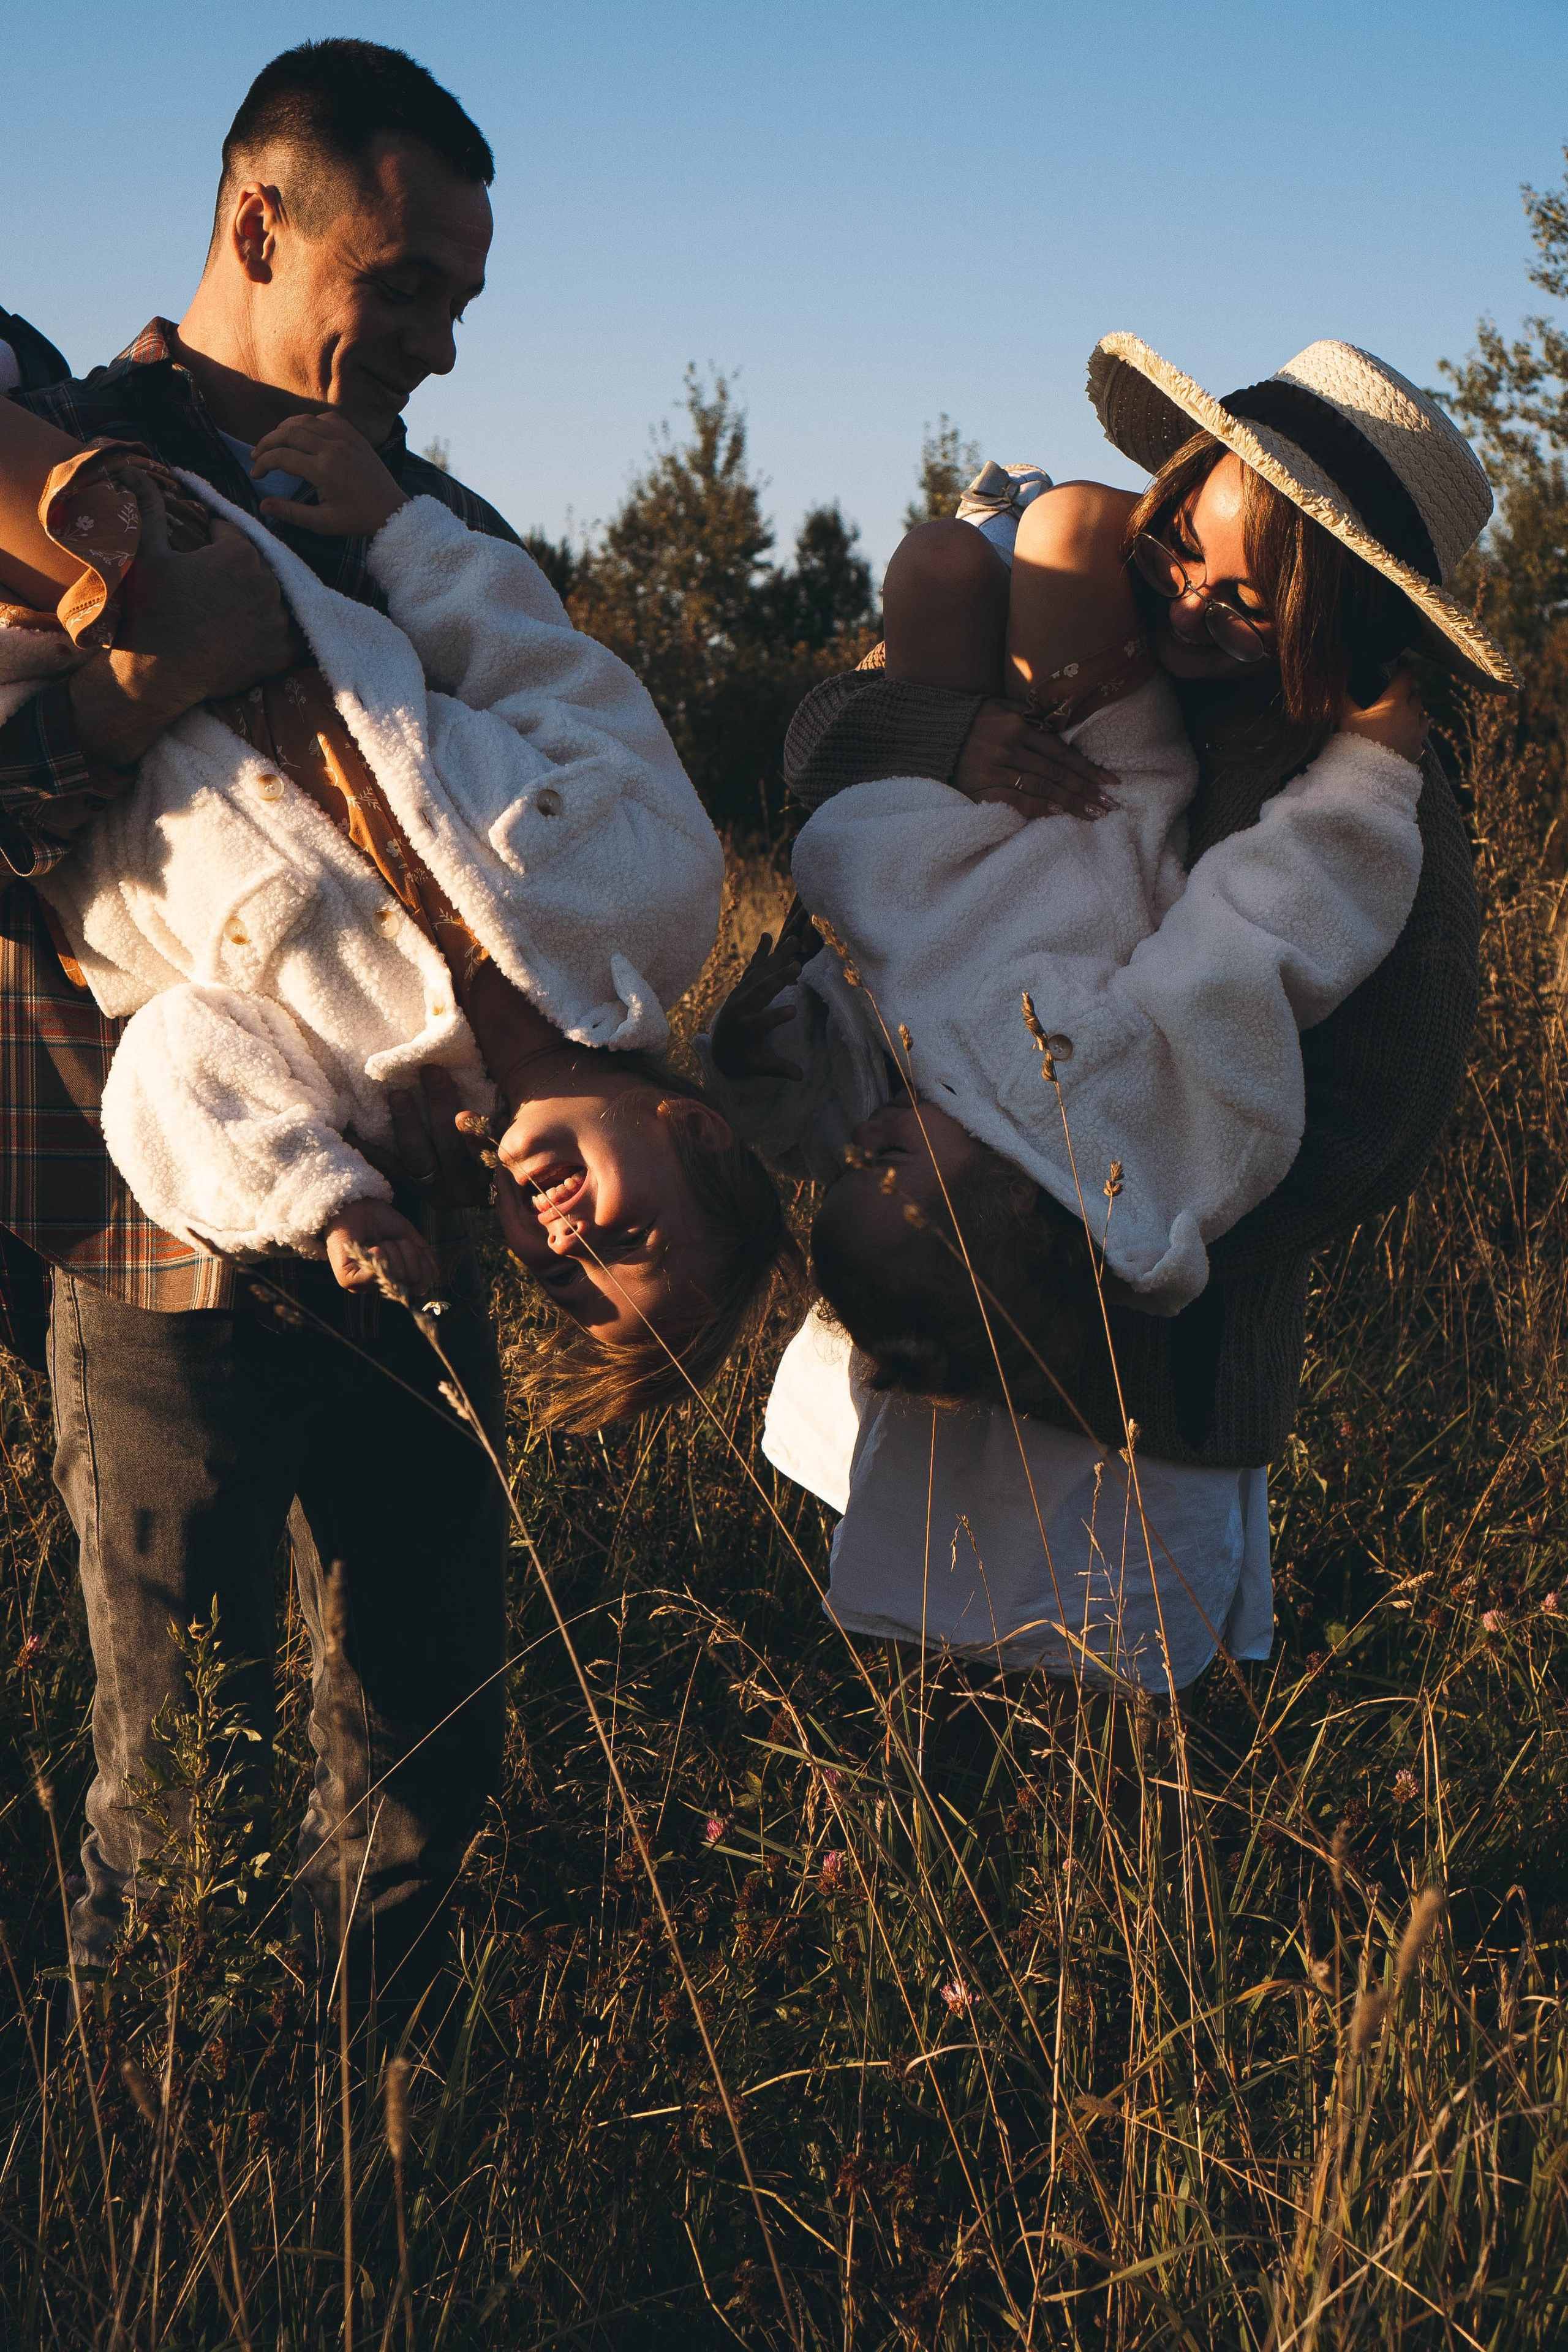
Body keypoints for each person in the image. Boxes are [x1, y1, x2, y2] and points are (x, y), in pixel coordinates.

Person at [0, 39, 734, 1996]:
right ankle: (156, 2183)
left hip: (440, 1212)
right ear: (261, 218)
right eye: (399, 285)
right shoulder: (56, 440)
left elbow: (564, 732)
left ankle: (376, 2158)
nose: (436, 342)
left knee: (423, 1728)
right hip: (144, 1212)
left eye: (460, 301)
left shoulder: (440, 504)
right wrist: (145, 683)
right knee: (175, 1756)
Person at [716, 334, 1507, 1702]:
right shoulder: (1081, 614)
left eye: (1247, 601)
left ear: (1338, 623)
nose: (1191, 601)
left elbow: (1383, 1111)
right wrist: (947, 741)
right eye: (1182, 545)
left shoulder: (1369, 793)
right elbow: (819, 737)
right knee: (904, 1662)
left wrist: (1088, 1201)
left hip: (1153, 1344)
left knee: (1107, 1692)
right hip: (920, 1263)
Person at [0, 377, 785, 1413]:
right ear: (700, 1132)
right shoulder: (659, 900)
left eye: (558, 1275)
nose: (567, 1235)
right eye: (626, 1241)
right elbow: (550, 676)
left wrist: (322, 1201)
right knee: (88, 502)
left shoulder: (362, 1110)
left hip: (38, 694)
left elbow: (169, 1063)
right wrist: (405, 534)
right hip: (195, 576)